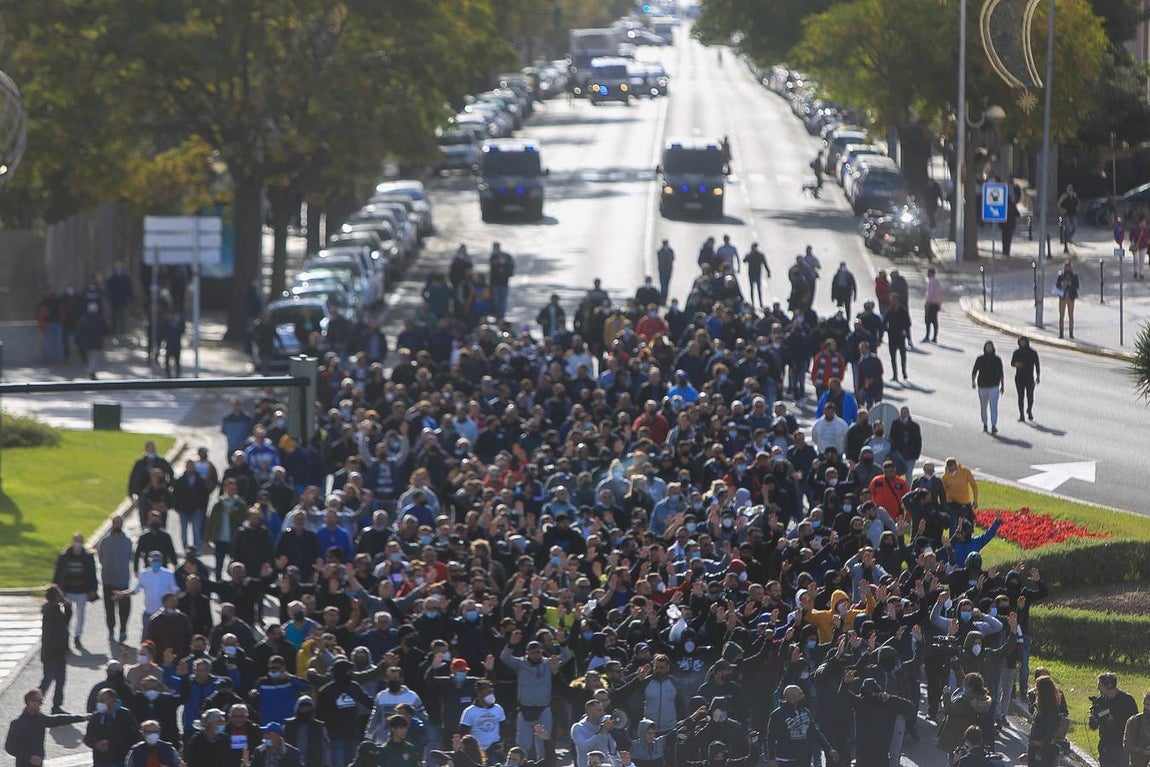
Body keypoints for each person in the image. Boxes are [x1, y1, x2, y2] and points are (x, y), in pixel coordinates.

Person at [5, 688, 89, 767]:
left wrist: (82, 718)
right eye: (39, 701)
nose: (42, 703)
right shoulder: (18, 724)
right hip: (24, 764)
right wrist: (29, 757)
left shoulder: (40, 718)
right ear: (30, 702)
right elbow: (9, 747)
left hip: (38, 763)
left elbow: (58, 719)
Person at [765, 685, 836, 767]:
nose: (803, 696)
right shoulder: (777, 715)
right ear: (792, 698)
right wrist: (771, 758)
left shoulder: (805, 711)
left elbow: (814, 732)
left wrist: (828, 748)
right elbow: (771, 738)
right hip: (785, 760)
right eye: (800, 694)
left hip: (803, 758)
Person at [53, 533, 98, 650]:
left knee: (80, 615)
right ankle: (66, 635)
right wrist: (56, 589)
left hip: (82, 591)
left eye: (79, 541)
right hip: (68, 591)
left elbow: (92, 574)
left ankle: (77, 636)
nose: (77, 544)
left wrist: (93, 589)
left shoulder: (87, 557)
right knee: (67, 614)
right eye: (75, 541)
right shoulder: (64, 556)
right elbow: (58, 573)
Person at [97, 516, 134, 643]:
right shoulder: (105, 541)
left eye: (119, 523)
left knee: (124, 608)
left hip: (123, 580)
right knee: (109, 609)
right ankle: (111, 630)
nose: (117, 525)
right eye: (115, 523)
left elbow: (130, 557)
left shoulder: (127, 541)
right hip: (108, 580)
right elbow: (101, 558)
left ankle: (123, 630)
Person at [1090, 673, 1139, 767]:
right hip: (1105, 745)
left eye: (1100, 685)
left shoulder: (1127, 700)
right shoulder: (1099, 701)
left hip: (1122, 747)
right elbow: (1093, 726)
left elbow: (1135, 723)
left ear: (1108, 686)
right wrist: (1094, 718)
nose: (1098, 689)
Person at [85, 688, 141, 767]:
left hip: (122, 761)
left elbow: (136, 735)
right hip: (101, 762)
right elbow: (88, 738)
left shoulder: (125, 714)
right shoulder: (96, 717)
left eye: (104, 700)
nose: (101, 702)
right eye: (99, 700)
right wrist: (96, 744)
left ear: (113, 700)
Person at [39, 586, 73, 714]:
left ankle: (56, 706)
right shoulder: (50, 611)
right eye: (60, 594)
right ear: (55, 596)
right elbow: (54, 636)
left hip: (58, 653)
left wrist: (68, 607)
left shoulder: (56, 609)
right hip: (52, 654)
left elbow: (65, 622)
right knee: (47, 681)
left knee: (60, 681)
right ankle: (35, 703)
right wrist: (64, 649)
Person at [1027, 676, 1063, 767]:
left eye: (1037, 689)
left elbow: (1049, 733)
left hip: (1044, 751)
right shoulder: (1039, 707)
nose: (1036, 692)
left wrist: (1040, 753)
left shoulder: (1052, 710)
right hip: (1034, 748)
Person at [971, 341, 1005, 434]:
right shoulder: (980, 359)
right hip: (982, 386)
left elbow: (1001, 373)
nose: (989, 349)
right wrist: (973, 381)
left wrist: (1002, 385)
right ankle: (985, 423)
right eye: (987, 347)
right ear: (984, 348)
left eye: (990, 347)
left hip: (994, 385)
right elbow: (974, 371)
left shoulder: (997, 359)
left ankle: (994, 425)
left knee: (993, 406)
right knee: (983, 406)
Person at [1010, 337, 1041, 422]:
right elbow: (1012, 363)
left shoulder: (1032, 353)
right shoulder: (1016, 352)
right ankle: (1021, 415)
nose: (1022, 343)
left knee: (1030, 396)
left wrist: (1038, 376)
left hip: (1029, 377)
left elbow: (1037, 365)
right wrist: (1016, 365)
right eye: (1021, 342)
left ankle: (1029, 410)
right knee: (1020, 396)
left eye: (1024, 342)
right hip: (1019, 377)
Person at [75, 302, 107, 379]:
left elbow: (79, 331)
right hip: (97, 342)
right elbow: (106, 329)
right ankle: (91, 371)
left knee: (91, 357)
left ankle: (91, 370)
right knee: (95, 357)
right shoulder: (100, 319)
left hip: (87, 343)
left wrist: (77, 340)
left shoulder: (83, 319)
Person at [1123, 691, 1150, 767]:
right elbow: (1127, 745)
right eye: (1144, 704)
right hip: (1138, 763)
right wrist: (1143, 751)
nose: (1145, 708)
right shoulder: (1134, 721)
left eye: (1148, 705)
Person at [489, 242, 515, 320]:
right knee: (496, 301)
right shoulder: (493, 258)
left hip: (503, 283)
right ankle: (497, 316)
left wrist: (505, 268)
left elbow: (511, 269)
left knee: (502, 301)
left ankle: (501, 317)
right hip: (495, 283)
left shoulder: (507, 257)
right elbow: (492, 269)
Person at [1055, 260, 1080, 339]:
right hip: (1062, 297)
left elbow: (1077, 286)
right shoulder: (1061, 275)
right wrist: (1062, 283)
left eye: (1069, 266)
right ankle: (1061, 333)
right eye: (1066, 266)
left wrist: (1070, 284)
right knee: (1061, 315)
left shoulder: (1074, 276)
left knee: (1071, 315)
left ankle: (1071, 333)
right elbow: (1057, 285)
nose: (1067, 268)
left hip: (1071, 297)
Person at [742, 243, 770, 308]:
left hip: (758, 274)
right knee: (752, 289)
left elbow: (765, 263)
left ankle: (760, 303)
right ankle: (753, 303)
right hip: (751, 274)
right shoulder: (749, 255)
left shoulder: (760, 255)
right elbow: (744, 261)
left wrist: (768, 271)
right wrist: (749, 255)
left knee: (759, 289)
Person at [922, 268, 942, 343]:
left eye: (928, 273)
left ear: (930, 273)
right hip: (936, 304)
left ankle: (928, 336)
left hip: (931, 304)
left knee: (928, 320)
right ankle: (934, 337)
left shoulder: (932, 282)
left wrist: (927, 302)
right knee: (934, 321)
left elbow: (931, 293)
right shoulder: (936, 281)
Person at [1058, 184, 1079, 251]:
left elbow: (1078, 203)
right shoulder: (1064, 197)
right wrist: (1063, 210)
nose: (1070, 191)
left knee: (1075, 227)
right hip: (1067, 214)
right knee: (1067, 227)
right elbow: (1060, 204)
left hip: (1073, 214)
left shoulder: (1075, 197)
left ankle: (1069, 237)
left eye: (1071, 190)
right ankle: (1066, 239)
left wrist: (1077, 209)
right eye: (1069, 190)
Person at [1131, 216, 1150, 280]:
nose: (1144, 223)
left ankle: (1141, 273)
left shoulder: (1147, 229)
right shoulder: (1135, 229)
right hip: (1136, 247)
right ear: (1140, 222)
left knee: (1142, 260)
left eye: (1145, 222)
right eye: (1143, 222)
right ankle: (1135, 271)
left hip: (1144, 246)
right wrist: (1132, 241)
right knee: (1136, 259)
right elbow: (1131, 236)